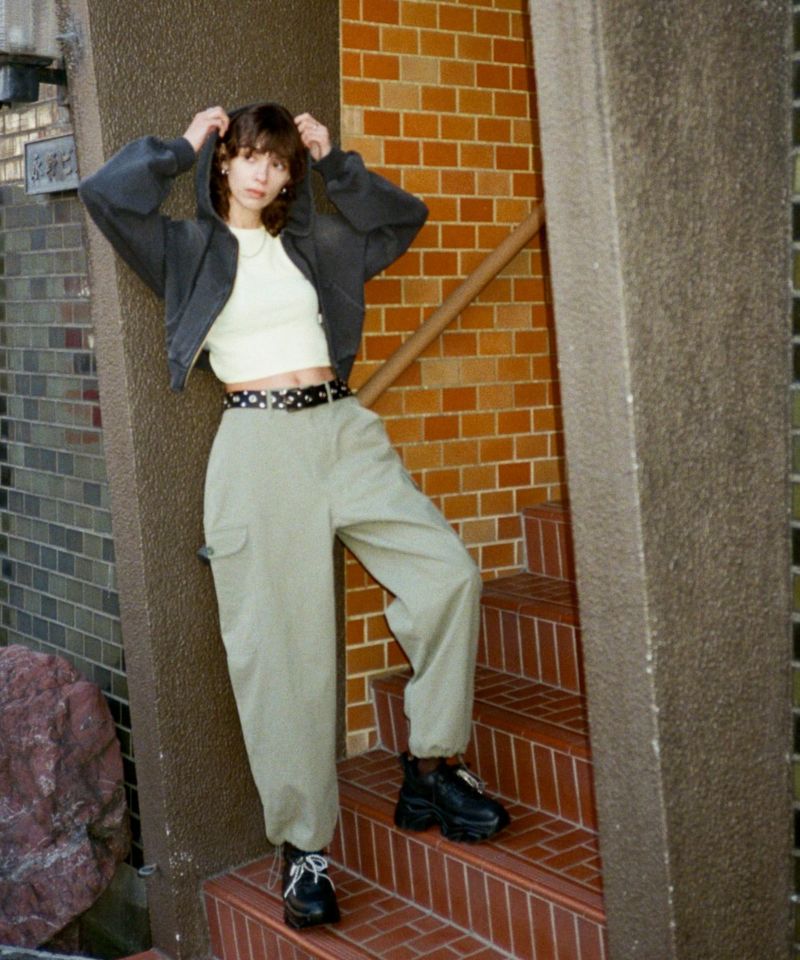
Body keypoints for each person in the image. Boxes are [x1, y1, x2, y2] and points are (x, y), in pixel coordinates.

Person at [79, 102, 510, 930]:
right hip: (259, 446)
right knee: (284, 653)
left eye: (277, 162)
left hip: (344, 432)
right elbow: (109, 196)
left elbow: (403, 219)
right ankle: (304, 847)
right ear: (224, 161)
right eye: (247, 155)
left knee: (448, 577)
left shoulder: (317, 243)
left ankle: (432, 765)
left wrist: (336, 162)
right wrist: (182, 146)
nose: (262, 172)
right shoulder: (186, 247)